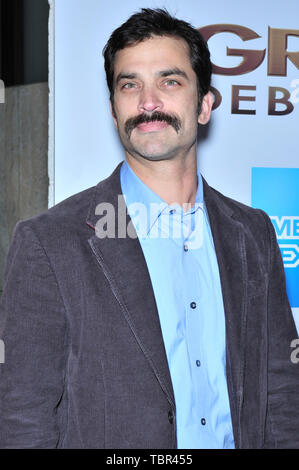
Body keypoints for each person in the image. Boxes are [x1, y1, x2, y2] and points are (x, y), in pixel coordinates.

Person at [0, 8, 298, 449]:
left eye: (170, 81)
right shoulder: (50, 242)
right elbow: (23, 417)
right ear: (113, 109)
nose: (148, 102)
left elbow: (281, 394)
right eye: (130, 84)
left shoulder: (251, 234)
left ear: (205, 105)